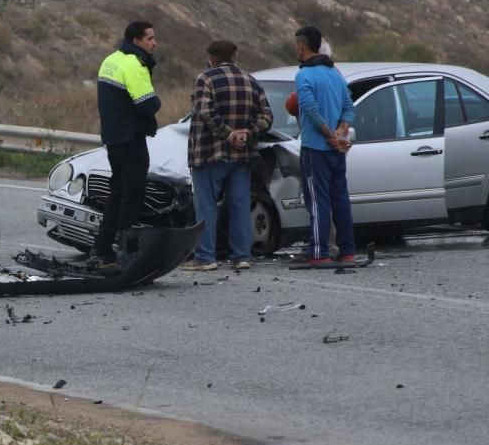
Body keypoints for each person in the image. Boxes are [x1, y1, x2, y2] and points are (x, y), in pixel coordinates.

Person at [182, 40, 273, 272]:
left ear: (211, 58)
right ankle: (242, 256)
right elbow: (267, 116)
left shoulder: (206, 78)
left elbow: (205, 112)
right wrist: (247, 132)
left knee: (206, 206)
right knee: (240, 205)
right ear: (235, 56)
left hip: (209, 153)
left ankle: (205, 257)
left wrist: (228, 133)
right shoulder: (250, 80)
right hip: (242, 155)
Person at [86, 21, 162, 268]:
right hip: (131, 138)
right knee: (133, 193)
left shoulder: (111, 60)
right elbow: (148, 104)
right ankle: (125, 248)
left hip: (113, 138)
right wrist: (156, 104)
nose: (154, 43)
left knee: (117, 191)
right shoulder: (133, 64)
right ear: (136, 41)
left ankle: (102, 247)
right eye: (149, 38)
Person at [293, 26, 355, 264]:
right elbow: (349, 106)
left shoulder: (304, 76)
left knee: (317, 200)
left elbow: (309, 108)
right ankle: (348, 250)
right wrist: (341, 132)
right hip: (337, 150)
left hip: (315, 149)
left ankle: (319, 252)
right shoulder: (335, 73)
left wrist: (329, 134)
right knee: (340, 197)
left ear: (301, 46)